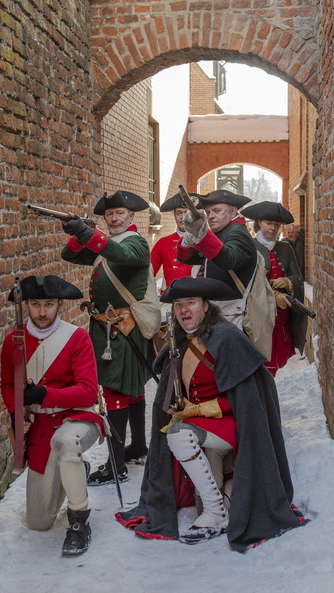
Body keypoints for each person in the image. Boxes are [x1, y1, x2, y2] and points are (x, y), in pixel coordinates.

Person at [116, 277, 306, 550]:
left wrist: (198, 410)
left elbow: (247, 399)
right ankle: (222, 504)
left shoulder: (228, 337)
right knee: (200, 500)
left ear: (205, 306)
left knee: (178, 434)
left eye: (190, 303)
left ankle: (217, 513)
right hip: (203, 430)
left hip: (231, 427)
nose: (183, 310)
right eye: (178, 304)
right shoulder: (180, 341)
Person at [0, 275, 105, 555]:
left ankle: (79, 522)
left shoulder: (76, 337)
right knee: (39, 522)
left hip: (77, 418)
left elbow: (87, 393)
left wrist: (43, 394)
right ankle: (74, 470)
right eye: (35, 304)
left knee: (66, 443)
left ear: (59, 304)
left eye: (48, 304)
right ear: (27, 305)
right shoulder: (13, 341)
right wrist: (15, 412)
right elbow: (8, 385)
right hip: (42, 426)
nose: (42, 312)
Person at [60, 190, 155, 484]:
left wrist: (91, 233)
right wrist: (77, 232)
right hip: (108, 327)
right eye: (109, 215)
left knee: (115, 391)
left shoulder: (135, 242)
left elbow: (122, 256)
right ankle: (138, 446)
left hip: (125, 326)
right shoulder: (108, 243)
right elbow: (69, 254)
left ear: (131, 217)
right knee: (131, 390)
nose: (114, 219)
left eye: (119, 214)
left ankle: (116, 466)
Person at [241, 202, 307, 376]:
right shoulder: (250, 247)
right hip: (260, 315)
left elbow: (298, 277)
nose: (272, 228)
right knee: (262, 361)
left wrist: (288, 281)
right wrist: (273, 291)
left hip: (283, 314)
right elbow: (247, 281)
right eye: (268, 223)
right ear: (259, 223)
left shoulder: (285, 248)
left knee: (280, 362)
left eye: (276, 225)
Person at [175, 189, 258, 324]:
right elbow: (187, 258)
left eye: (217, 211)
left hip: (232, 313)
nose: (210, 216)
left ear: (233, 211)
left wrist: (202, 235)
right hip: (217, 311)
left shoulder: (238, 233)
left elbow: (228, 259)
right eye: (208, 212)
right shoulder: (223, 232)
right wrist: (188, 239)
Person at [150, 192, 202, 290]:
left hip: (197, 296)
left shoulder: (205, 241)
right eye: (179, 213)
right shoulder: (163, 242)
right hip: (170, 299)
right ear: (174, 215)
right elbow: (148, 274)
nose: (183, 217)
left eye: (187, 212)